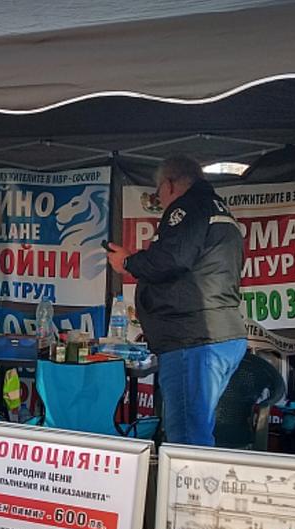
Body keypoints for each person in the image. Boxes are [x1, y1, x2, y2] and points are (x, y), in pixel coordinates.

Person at [106, 155, 247, 446]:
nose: (160, 200)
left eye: (159, 192)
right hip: (218, 334)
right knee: (196, 430)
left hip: (193, 339)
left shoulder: (187, 207)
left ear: (169, 184)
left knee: (187, 440)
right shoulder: (219, 209)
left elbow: (172, 258)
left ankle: (187, 492)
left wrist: (129, 263)